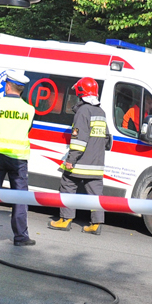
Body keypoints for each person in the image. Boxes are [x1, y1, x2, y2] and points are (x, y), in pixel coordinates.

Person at [0, 70, 36, 246]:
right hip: (19, 159)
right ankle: (20, 237)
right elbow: (26, 131)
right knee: (20, 197)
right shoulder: (29, 109)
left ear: (8, 85)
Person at [48, 77, 110, 235]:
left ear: (81, 93)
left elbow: (79, 139)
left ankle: (65, 220)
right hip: (97, 163)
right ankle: (96, 224)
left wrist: (71, 160)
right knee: (96, 194)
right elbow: (107, 139)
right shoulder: (100, 112)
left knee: (67, 184)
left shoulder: (83, 111)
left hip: (81, 162)